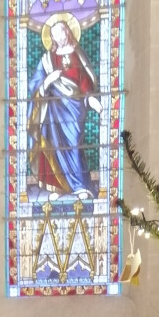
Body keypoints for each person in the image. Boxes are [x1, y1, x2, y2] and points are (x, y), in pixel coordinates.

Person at [28, 14, 102, 200]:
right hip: (53, 110)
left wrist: (89, 99)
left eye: (61, 32)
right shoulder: (47, 59)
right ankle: (58, 187)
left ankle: (80, 186)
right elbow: (34, 85)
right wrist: (48, 81)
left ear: (68, 32)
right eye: (54, 34)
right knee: (54, 146)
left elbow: (85, 80)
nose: (59, 37)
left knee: (74, 144)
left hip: (75, 108)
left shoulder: (78, 54)